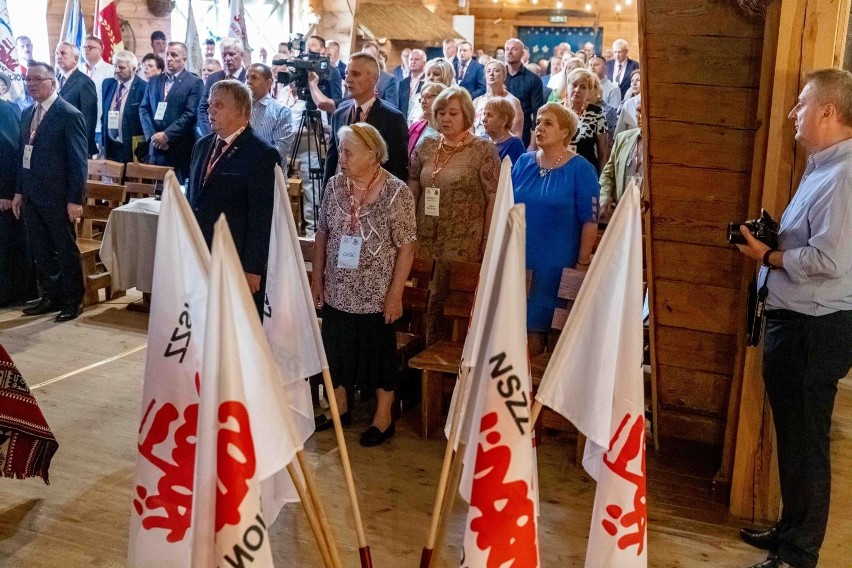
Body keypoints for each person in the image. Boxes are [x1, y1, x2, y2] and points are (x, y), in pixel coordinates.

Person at [735, 69, 852, 568]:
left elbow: (830, 260)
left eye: (801, 104)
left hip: (815, 327)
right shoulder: (822, 165)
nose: (793, 113)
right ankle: (789, 532)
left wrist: (767, 257)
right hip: (796, 319)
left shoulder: (845, 174)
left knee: (807, 446)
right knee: (794, 439)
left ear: (828, 111)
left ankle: (799, 554)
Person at [311, 123, 416, 447]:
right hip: (339, 288)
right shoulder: (334, 186)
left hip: (376, 292)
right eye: (340, 151)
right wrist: (318, 280)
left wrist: (395, 294)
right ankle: (339, 407)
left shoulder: (396, 192)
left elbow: (407, 246)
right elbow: (323, 233)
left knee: (378, 355)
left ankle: (383, 418)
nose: (341, 158)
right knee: (337, 350)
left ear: (372, 154)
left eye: (348, 152)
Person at [408, 86, 500, 344]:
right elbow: (414, 184)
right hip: (426, 238)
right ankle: (418, 364)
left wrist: (486, 241)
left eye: (453, 113)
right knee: (424, 302)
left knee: (452, 307)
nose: (446, 118)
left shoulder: (482, 150)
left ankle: (449, 367)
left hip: (463, 243)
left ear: (467, 115)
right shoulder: (426, 145)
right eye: (441, 112)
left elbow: (493, 196)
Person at [512, 102, 599, 354]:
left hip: (558, 264)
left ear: (565, 132)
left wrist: (582, 263)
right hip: (522, 258)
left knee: (550, 333)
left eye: (547, 123)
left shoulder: (581, 169)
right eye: (538, 122)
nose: (539, 127)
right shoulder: (523, 163)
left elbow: (590, 220)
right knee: (521, 330)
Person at [187, 80, 279, 317]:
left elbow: (262, 217)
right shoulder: (202, 145)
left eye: (219, 105)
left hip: (235, 258)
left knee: (235, 331)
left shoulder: (262, 153)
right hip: (201, 254)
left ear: (240, 111)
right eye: (209, 105)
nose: (210, 111)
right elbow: (194, 201)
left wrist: (253, 268)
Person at [12, 62, 87, 322]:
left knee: (65, 249)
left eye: (37, 79)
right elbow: (24, 155)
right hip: (32, 195)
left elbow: (78, 162)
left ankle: (73, 300)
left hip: (58, 197)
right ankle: (51, 296)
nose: (31, 84)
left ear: (52, 82)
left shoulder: (68, 114)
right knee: (41, 250)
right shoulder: (27, 113)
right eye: (28, 79)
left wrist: (75, 199)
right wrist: (19, 192)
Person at [324, 52, 409, 188]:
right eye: (346, 74)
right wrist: (325, 200)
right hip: (341, 197)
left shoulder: (393, 118)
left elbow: (397, 170)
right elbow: (331, 163)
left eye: (355, 74)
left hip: (375, 198)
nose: (348, 80)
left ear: (374, 79)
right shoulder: (339, 114)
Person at [139, 42, 204, 181]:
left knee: (177, 195)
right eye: (167, 54)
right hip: (155, 147)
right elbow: (144, 109)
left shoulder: (194, 82)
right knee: (155, 193)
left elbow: (190, 114)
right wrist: (153, 136)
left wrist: (167, 135)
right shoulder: (154, 81)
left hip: (179, 147)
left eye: (174, 55)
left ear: (184, 59)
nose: (169, 58)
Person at [554, 68, 609, 173]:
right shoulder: (556, 111)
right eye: (574, 85)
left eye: (583, 87)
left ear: (589, 91)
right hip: (558, 169)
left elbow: (603, 152)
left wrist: (602, 183)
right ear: (567, 87)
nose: (577, 90)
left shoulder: (597, 113)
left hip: (586, 170)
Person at [599, 95, 642, 223]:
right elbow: (608, 174)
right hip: (622, 211)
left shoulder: (663, 145)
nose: (639, 115)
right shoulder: (623, 138)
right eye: (638, 110)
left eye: (644, 111)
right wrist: (605, 197)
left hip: (647, 216)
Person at [101, 50, 146, 164]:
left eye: (122, 68)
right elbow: (104, 115)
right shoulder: (108, 84)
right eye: (115, 66)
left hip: (131, 145)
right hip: (110, 144)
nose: (117, 70)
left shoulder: (144, 88)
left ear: (134, 69)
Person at [54, 42, 98, 156]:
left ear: (75, 59)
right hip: (56, 144)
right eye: (57, 53)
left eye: (63, 53)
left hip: (75, 145)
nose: (58, 56)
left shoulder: (85, 82)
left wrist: (83, 150)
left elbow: (88, 119)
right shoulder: (55, 80)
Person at [198, 38, 248, 136]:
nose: (227, 58)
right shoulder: (213, 78)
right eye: (224, 55)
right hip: (212, 135)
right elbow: (203, 108)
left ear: (241, 55)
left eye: (232, 54)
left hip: (238, 136)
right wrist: (210, 134)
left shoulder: (248, 78)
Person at [246, 63, 294, 164]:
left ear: (269, 83)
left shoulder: (281, 111)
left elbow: (280, 150)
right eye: (247, 77)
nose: (248, 82)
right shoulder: (239, 108)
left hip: (269, 173)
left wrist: (251, 160)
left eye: (254, 78)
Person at [0, 98, 22, 307]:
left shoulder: (4, 111)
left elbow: (11, 153)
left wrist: (7, 192)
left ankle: (8, 294)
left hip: (3, 196)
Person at [504, 38, 543, 147]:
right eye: (507, 49)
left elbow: (538, 113)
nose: (509, 52)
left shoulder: (533, 80)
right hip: (497, 130)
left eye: (514, 49)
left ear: (522, 53)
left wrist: (533, 143)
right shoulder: (499, 77)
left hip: (523, 133)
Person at [472, 60, 524, 139]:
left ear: (504, 76)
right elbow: (470, 129)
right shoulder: (477, 101)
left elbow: (517, 133)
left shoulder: (513, 101)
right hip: (478, 147)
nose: (491, 74)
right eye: (488, 71)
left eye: (496, 71)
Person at [80, 35, 115, 150]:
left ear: (100, 50)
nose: (86, 50)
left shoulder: (110, 71)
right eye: (84, 47)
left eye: (90, 47)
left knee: (98, 165)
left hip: (99, 127)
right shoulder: (78, 70)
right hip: (80, 126)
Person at [406, 57, 455, 123]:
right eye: (428, 74)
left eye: (436, 74)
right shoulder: (418, 98)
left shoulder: (454, 99)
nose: (431, 78)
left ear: (447, 77)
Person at [481, 97, 525, 164]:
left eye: (490, 115)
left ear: (504, 120)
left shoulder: (515, 145)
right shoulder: (482, 139)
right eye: (484, 114)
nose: (484, 119)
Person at [407, 81, 445, 157]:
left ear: (441, 99)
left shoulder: (449, 129)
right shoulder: (415, 127)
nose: (423, 102)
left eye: (428, 97)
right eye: (421, 98)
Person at [361, 42, 399, 110]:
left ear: (377, 58)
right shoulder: (354, 77)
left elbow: (392, 108)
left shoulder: (388, 80)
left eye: (369, 57)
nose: (365, 60)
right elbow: (346, 101)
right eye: (363, 57)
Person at [398, 49, 426, 122]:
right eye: (411, 59)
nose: (413, 62)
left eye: (417, 59)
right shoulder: (403, 83)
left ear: (424, 62)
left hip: (420, 122)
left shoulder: (428, 81)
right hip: (404, 122)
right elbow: (400, 105)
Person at [614, 70, 642, 136]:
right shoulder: (627, 104)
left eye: (638, 80)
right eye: (632, 81)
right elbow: (619, 131)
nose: (634, 83)